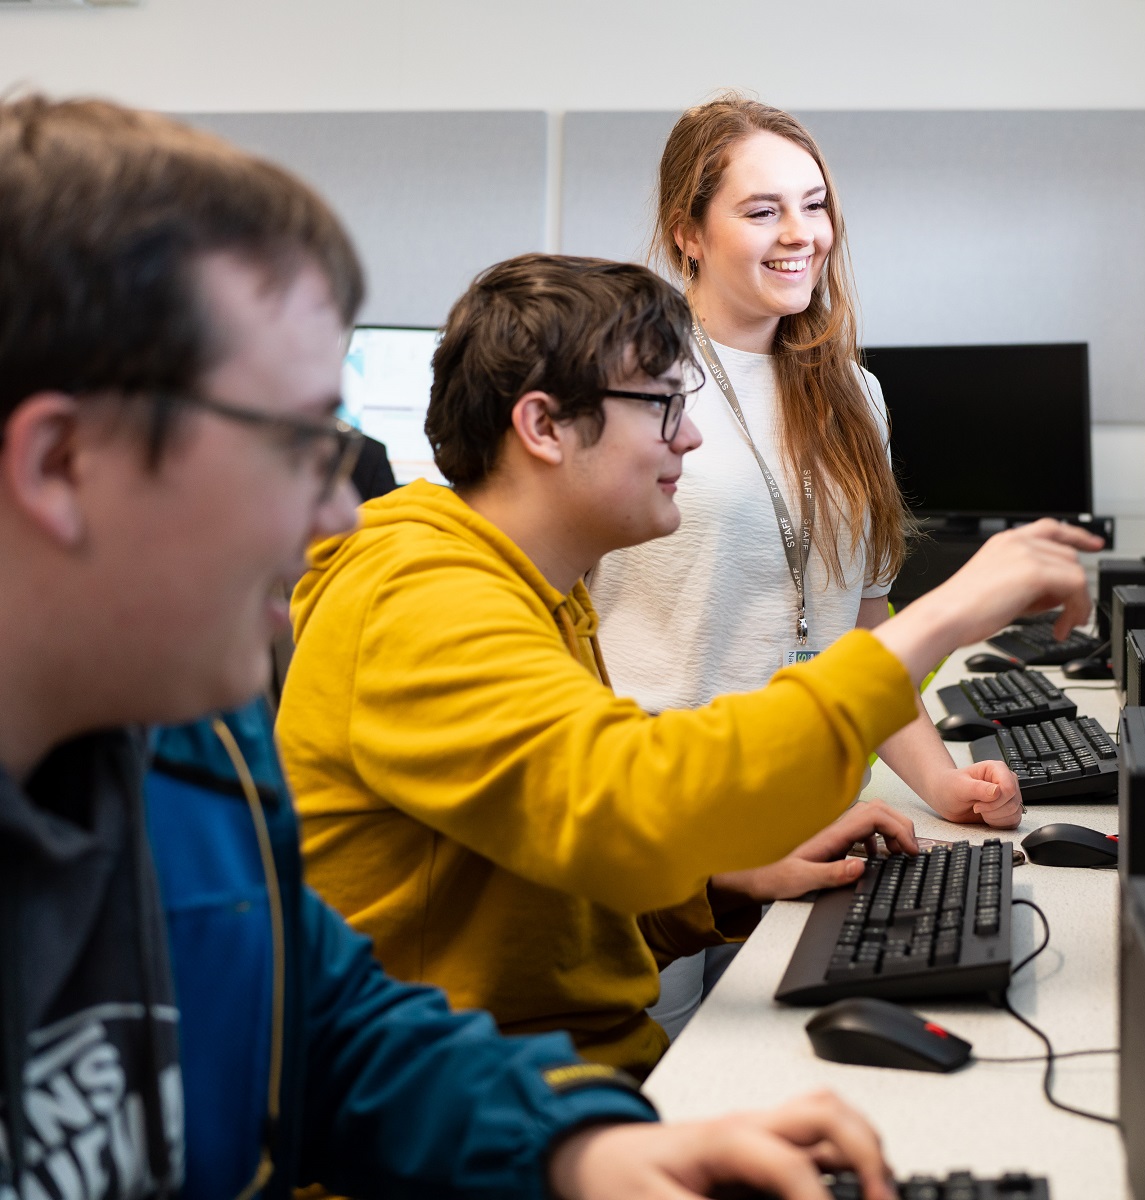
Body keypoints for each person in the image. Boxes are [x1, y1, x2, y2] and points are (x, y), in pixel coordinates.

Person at [0, 93, 901, 1200]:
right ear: (59, 467)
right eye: (293, 443)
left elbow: (327, 1031)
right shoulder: (384, 603)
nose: (338, 517)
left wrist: (578, 1148)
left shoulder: (189, 745)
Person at [274, 252, 1100, 1081]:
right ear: (543, 427)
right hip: (470, 1105)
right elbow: (629, 801)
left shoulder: (539, 591)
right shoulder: (420, 595)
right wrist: (944, 615)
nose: (692, 435)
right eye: (665, 405)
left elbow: (564, 864)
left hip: (532, 1078)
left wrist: (727, 881)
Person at [590, 97, 1024, 834]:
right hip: (665, 812)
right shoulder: (623, 379)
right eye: (762, 212)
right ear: (686, 233)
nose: (801, 234)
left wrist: (943, 782)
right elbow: (558, 636)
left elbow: (856, 638)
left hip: (819, 814)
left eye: (814, 205)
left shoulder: (856, 395)